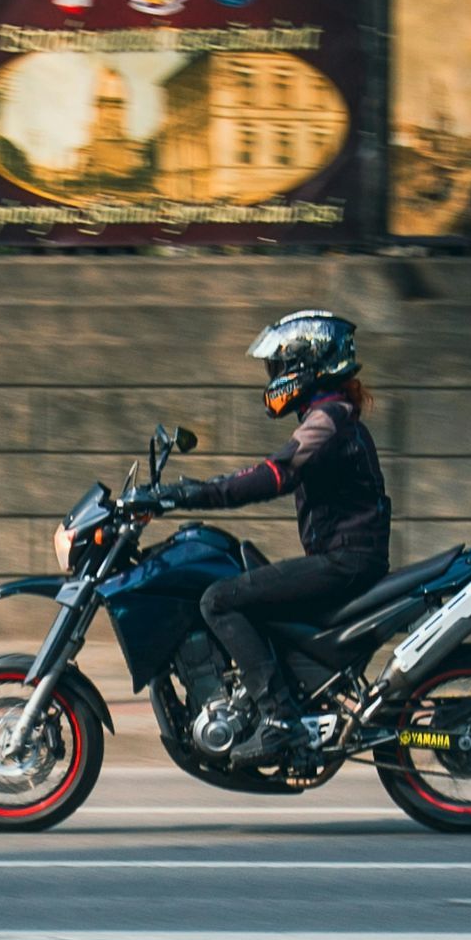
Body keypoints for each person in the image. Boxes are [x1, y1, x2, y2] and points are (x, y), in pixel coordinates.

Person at [144, 310, 391, 763]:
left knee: (218, 600)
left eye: (280, 366)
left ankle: (278, 719)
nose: (274, 376)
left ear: (309, 364)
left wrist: (186, 493)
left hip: (346, 561)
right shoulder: (332, 414)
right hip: (348, 557)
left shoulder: (328, 419)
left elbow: (274, 474)